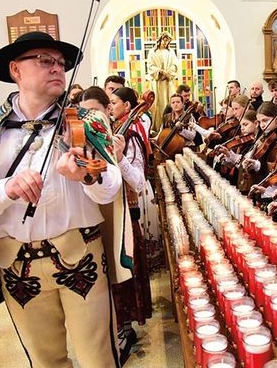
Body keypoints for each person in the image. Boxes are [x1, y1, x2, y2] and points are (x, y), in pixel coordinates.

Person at [0, 31, 127, 367]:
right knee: (45, 360)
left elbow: (111, 186)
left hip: (81, 257)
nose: (57, 68)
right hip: (17, 266)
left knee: (97, 357)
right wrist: (5, 190)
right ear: (16, 70)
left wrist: (85, 174)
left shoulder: (86, 121)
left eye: (60, 63)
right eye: (44, 61)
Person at [109, 87, 153, 364]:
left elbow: (138, 181)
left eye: (113, 102)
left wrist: (120, 157)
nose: (110, 107)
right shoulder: (108, 131)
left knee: (125, 271)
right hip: (104, 212)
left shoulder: (131, 135)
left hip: (127, 209)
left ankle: (125, 329)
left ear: (127, 105)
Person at [147, 31, 179, 130]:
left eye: (168, 41)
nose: (166, 43)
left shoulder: (171, 52)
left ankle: (169, 126)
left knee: (169, 103)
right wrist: (160, 72)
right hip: (157, 83)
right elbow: (150, 66)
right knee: (157, 105)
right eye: (165, 40)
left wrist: (168, 74)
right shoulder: (153, 52)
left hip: (167, 83)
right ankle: (157, 127)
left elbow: (175, 65)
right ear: (160, 39)